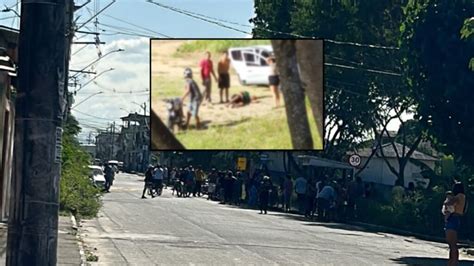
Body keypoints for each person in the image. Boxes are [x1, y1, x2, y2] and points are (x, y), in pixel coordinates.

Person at [444, 181, 466, 266]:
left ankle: (453, 262)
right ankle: (452, 262)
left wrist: (447, 201)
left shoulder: (459, 196)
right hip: (456, 218)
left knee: (452, 244)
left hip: (453, 218)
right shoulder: (463, 197)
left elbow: (450, 202)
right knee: (453, 244)